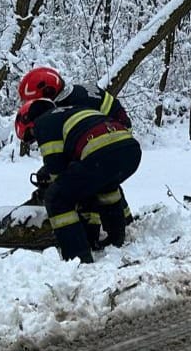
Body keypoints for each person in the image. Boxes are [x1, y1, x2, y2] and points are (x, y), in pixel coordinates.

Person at [14, 71, 138, 262]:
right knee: (105, 185)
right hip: (129, 147)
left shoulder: (44, 122)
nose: (34, 140)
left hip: (101, 147)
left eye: (31, 136)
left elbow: (58, 170)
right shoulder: (75, 101)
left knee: (58, 197)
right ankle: (117, 238)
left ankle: (77, 256)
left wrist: (52, 185)